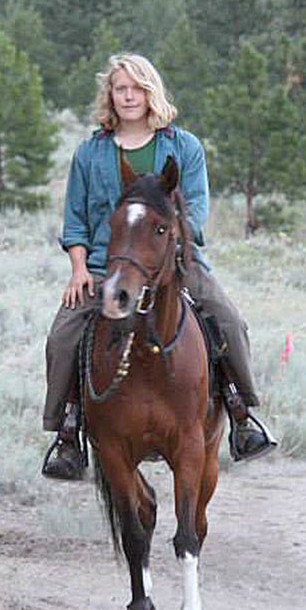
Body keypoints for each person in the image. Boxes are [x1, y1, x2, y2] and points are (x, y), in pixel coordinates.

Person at [40, 54, 275, 480]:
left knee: (228, 320)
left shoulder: (183, 147)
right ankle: (67, 432)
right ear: (109, 95)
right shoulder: (90, 154)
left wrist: (169, 251)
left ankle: (242, 415)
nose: (128, 96)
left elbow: (197, 211)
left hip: (177, 265)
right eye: (120, 88)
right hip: (104, 268)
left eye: (137, 88)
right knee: (62, 337)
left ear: (152, 92)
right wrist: (79, 270)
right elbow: (75, 221)